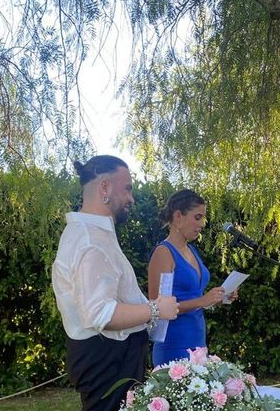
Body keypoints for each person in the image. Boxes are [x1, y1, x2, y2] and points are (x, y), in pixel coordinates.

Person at [52, 155, 179, 411]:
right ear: (104, 188)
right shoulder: (90, 241)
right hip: (107, 361)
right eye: (128, 188)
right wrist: (156, 309)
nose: (132, 198)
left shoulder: (93, 234)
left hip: (111, 357)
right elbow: (101, 313)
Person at [148, 189, 235, 367]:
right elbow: (156, 308)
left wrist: (218, 298)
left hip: (197, 342)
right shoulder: (164, 253)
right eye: (197, 217)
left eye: (203, 218)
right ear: (178, 216)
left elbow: (195, 298)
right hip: (174, 344)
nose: (202, 224)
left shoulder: (191, 251)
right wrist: (203, 301)